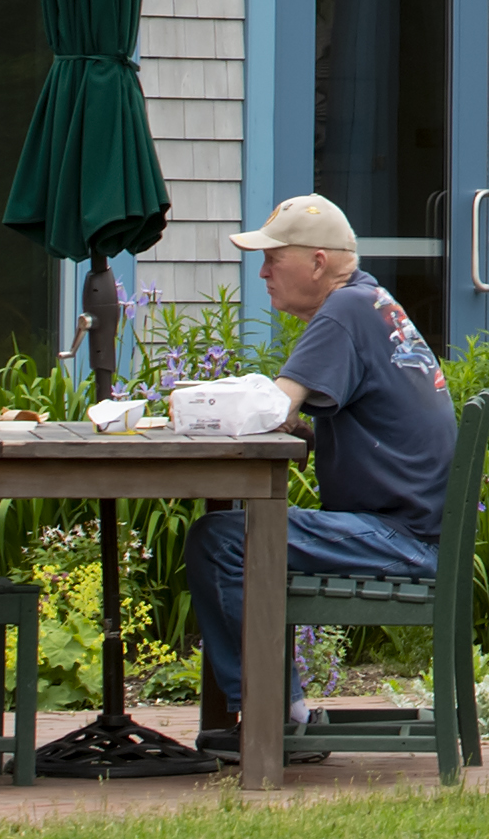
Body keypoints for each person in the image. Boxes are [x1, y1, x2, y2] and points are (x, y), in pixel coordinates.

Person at [188, 195, 453, 761]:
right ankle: (276, 714)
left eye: (272, 259)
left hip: (399, 539)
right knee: (233, 535)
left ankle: (273, 720)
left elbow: (271, 410)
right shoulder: (370, 301)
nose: (262, 272)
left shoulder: (342, 312)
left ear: (316, 262)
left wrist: (191, 410)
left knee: (220, 540)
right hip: (413, 531)